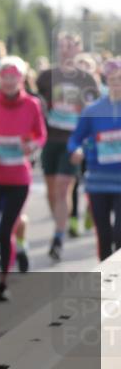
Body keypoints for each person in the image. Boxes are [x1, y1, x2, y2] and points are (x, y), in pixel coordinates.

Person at [0, 56, 46, 301]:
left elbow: (41, 135)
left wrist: (33, 145)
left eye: (14, 76)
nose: (10, 81)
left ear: (22, 78)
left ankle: (3, 282)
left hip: (18, 177)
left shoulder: (32, 104)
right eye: (5, 76)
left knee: (6, 232)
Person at [36, 33, 101, 261]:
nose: (65, 50)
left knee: (64, 187)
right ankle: (59, 224)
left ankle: (58, 236)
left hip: (73, 142)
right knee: (52, 191)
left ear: (78, 49)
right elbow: (37, 105)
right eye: (62, 46)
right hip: (50, 140)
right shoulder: (46, 77)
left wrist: (87, 143)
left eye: (70, 46)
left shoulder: (87, 80)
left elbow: (94, 113)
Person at [68, 58, 121, 260]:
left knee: (119, 233)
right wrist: (77, 150)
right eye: (113, 79)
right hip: (98, 180)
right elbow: (75, 138)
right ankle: (106, 283)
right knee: (104, 235)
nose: (117, 83)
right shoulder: (93, 110)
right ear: (106, 80)